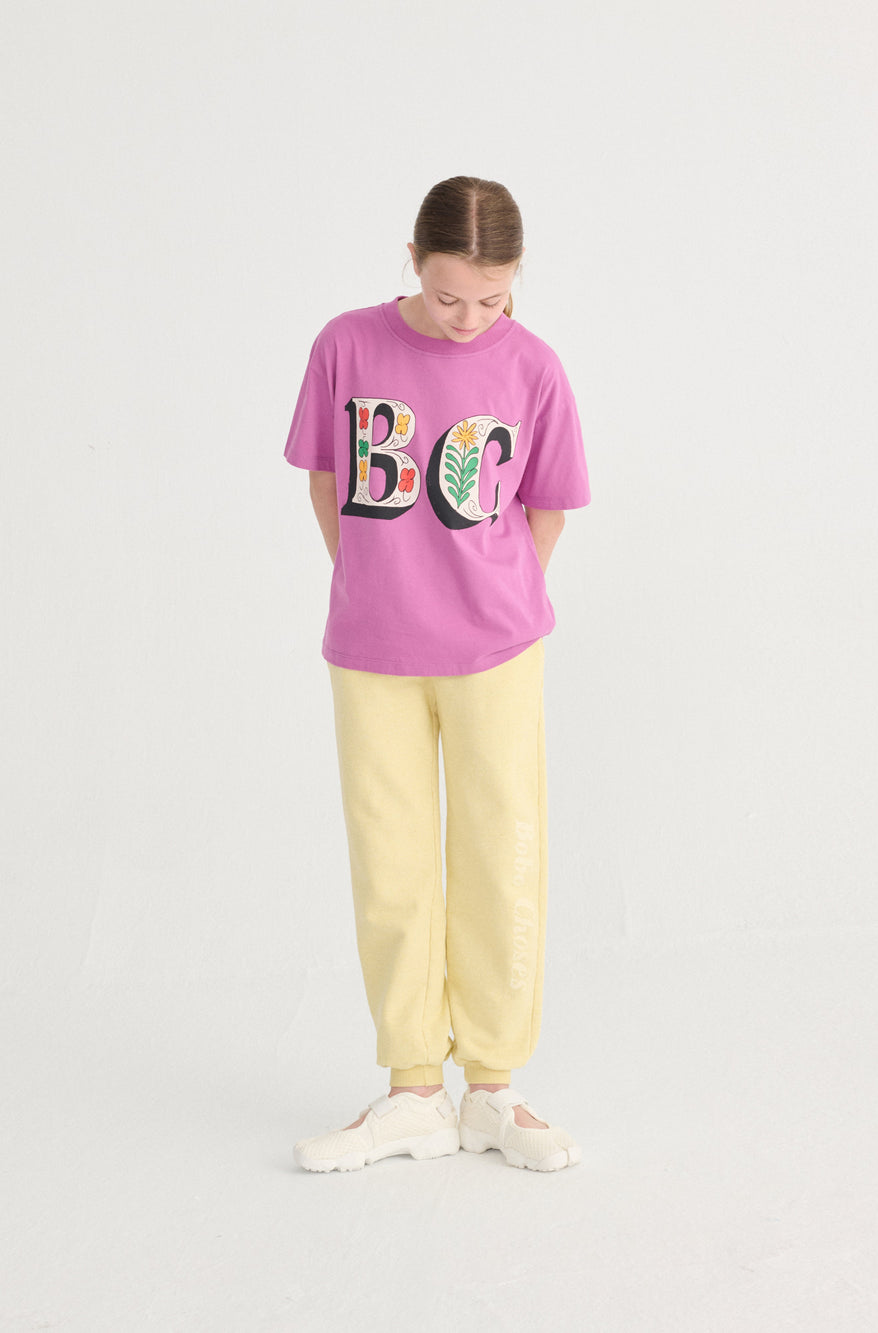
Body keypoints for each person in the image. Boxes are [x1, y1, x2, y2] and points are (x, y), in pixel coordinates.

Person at [284, 176, 591, 1172]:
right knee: (391, 857)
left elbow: (548, 505)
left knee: (502, 851)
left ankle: (493, 1086)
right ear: (412, 262)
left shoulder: (533, 366)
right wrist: (383, 584)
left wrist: (490, 597)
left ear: (517, 278)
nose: (468, 318)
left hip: (495, 649)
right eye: (449, 294)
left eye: (492, 298)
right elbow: (327, 480)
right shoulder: (346, 345)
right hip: (371, 649)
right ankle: (413, 1086)